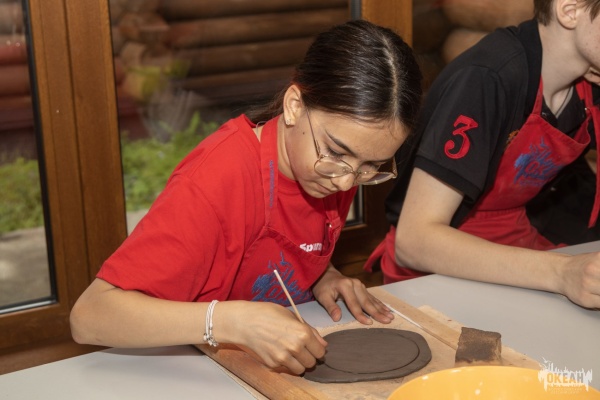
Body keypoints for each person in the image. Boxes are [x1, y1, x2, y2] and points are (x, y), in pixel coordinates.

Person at [70, 20, 423, 375]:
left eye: (371, 166)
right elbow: (89, 316)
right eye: (336, 152)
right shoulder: (215, 182)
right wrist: (230, 321)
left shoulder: (325, 170)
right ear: (294, 105)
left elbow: (291, 240)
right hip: (185, 370)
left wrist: (322, 274)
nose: (346, 183)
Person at [365, 0, 600, 309]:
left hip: (519, 243)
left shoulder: (587, 85)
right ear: (569, 10)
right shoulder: (486, 78)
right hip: (439, 269)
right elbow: (414, 242)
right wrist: (562, 273)